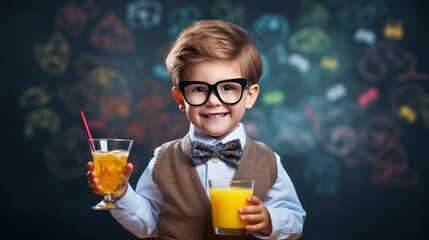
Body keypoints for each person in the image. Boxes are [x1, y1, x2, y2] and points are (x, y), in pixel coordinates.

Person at [86, 19, 306, 239]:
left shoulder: (268, 161)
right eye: (199, 89)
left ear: (250, 96)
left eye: (228, 87)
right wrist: (122, 195)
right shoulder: (163, 159)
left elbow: (295, 218)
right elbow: (149, 223)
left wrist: (269, 220)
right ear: (180, 99)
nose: (213, 100)